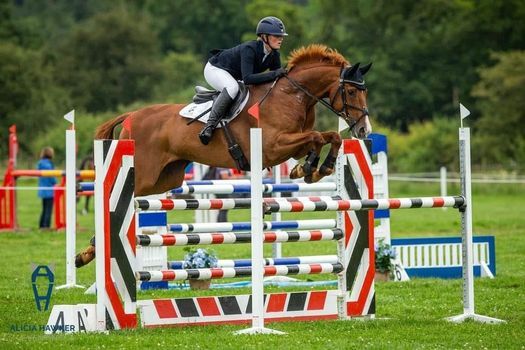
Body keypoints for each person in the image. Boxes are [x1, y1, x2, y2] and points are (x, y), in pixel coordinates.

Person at [198, 16, 288, 145]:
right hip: (215, 69)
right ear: (264, 37)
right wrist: (275, 73)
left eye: (281, 36)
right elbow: (248, 79)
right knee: (232, 88)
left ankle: (216, 97)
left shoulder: (274, 54)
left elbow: (275, 80)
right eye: (276, 36)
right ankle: (209, 126)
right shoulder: (249, 49)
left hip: (233, 75)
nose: (280, 39)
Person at [37, 147, 56, 229]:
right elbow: (51, 177)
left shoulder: (40, 163)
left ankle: (41, 225)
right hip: (49, 190)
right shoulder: (48, 165)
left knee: (44, 209)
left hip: (42, 190)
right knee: (48, 210)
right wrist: (56, 182)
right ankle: (46, 226)